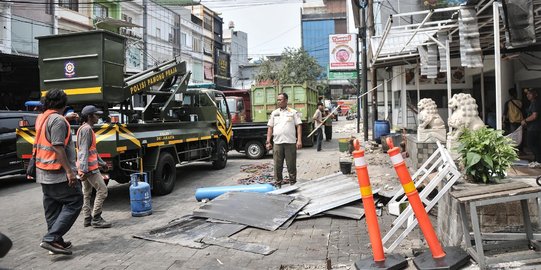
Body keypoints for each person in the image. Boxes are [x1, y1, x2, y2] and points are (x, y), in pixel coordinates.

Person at [35, 89, 82, 255]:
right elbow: (57, 146)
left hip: (43, 172)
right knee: (75, 201)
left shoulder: (42, 117)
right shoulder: (58, 121)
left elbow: (51, 127)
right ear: (64, 103)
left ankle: (56, 241)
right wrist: (69, 172)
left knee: (53, 207)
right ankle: (51, 238)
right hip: (57, 173)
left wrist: (64, 119)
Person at [77, 105, 112, 228]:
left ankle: (87, 218)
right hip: (89, 169)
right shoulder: (86, 130)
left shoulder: (86, 129)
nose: (98, 117)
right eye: (96, 115)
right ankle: (96, 218)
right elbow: (84, 151)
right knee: (102, 190)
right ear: (89, 116)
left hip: (87, 167)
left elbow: (92, 151)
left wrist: (102, 163)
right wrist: (85, 170)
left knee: (86, 193)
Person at [266, 93, 302, 188]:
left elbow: (299, 126)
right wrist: (268, 141)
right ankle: (278, 184)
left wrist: (299, 140)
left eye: (280, 100)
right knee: (277, 165)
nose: (278, 101)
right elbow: (270, 127)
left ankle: (293, 183)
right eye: (277, 100)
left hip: (290, 143)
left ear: (286, 100)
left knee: (291, 165)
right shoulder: (274, 113)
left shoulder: (293, 112)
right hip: (277, 143)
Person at [521, 88, 541, 167]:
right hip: (533, 127)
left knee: (532, 144)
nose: (527, 95)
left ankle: (539, 161)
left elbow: (534, 116)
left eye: (530, 93)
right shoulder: (533, 103)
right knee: (535, 144)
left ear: (535, 94)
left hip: (534, 128)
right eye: (527, 94)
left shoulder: (535, 103)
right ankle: (537, 160)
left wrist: (525, 121)